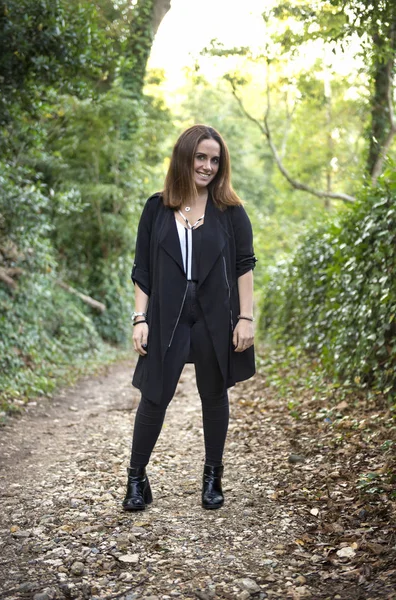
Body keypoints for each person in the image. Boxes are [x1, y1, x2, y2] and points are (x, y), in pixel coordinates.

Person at [123, 124, 256, 512]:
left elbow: (244, 266)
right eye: (201, 157)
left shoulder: (230, 211)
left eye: (215, 159)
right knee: (154, 396)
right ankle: (136, 479)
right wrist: (139, 318)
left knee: (213, 394)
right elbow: (142, 269)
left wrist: (245, 317)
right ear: (185, 157)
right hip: (167, 316)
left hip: (216, 316)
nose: (208, 166)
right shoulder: (156, 208)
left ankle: (212, 477)